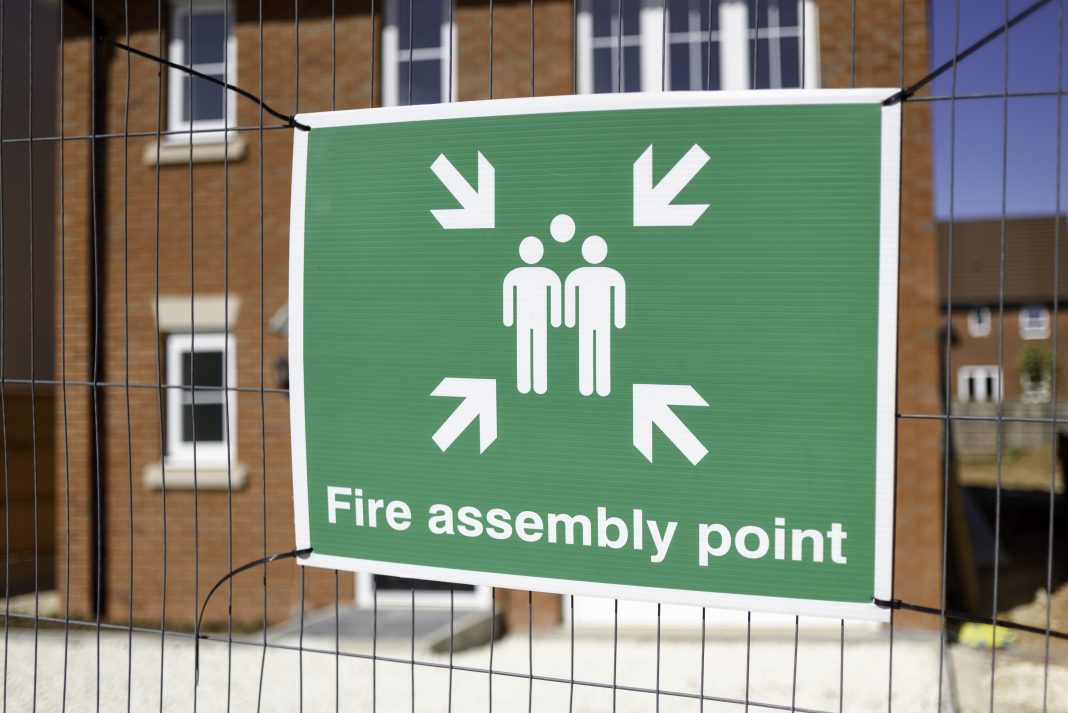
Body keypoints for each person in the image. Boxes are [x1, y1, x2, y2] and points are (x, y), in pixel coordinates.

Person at [564, 236, 626, 396]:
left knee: (601, 350)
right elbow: (570, 296)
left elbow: (619, 295)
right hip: (587, 320)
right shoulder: (577, 275)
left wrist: (619, 319)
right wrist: (569, 319)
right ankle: (588, 386)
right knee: (589, 350)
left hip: (600, 320)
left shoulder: (610, 275)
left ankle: (601, 386)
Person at [503, 236, 562, 394]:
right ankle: (525, 384)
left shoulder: (548, 274)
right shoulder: (515, 275)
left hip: (539, 319)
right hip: (524, 319)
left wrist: (556, 318)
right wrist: (508, 318)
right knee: (525, 349)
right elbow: (508, 296)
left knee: (538, 349)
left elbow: (555, 294)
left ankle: (539, 384)